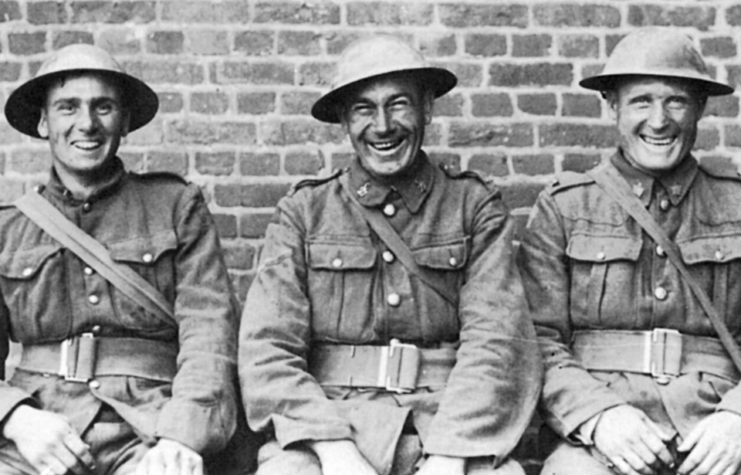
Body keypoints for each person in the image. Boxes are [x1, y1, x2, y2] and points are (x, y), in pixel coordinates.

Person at [239, 34, 541, 475]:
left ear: (427, 109)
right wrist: (332, 448)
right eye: (364, 108)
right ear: (344, 120)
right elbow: (267, 349)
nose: (382, 126)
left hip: (443, 423)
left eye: (399, 104)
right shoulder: (304, 214)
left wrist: (451, 454)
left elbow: (497, 343)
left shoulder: (473, 207)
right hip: (332, 425)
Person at [0, 44, 241, 475]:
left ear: (125, 121)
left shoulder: (175, 206)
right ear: (43, 121)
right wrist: (16, 419)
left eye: (103, 107)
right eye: (67, 107)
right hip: (38, 428)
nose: (86, 124)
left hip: (148, 427)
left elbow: (209, 332)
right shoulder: (8, 229)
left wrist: (181, 437)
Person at [518, 27, 741, 475]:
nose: (659, 120)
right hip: (603, 425)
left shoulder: (736, 204)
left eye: (675, 101)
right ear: (613, 105)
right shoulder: (566, 206)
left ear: (700, 107)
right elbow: (536, 340)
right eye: (641, 101)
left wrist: (738, 417)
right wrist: (597, 417)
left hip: (715, 424)